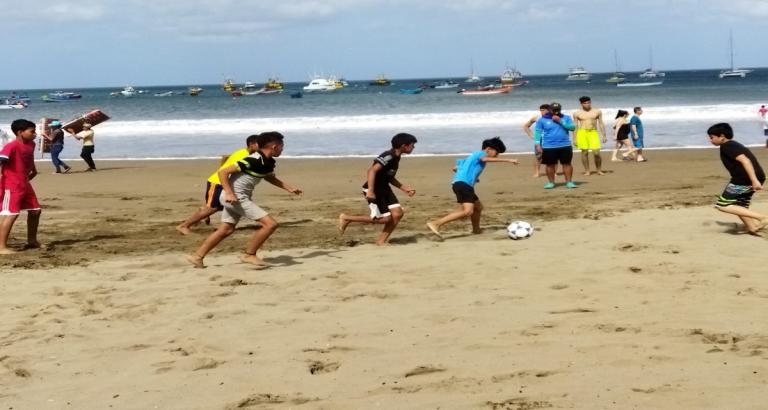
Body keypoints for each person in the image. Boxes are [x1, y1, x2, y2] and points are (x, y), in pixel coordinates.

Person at [187, 132, 302, 268]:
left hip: (237, 198)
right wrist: (230, 194)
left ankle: (197, 257)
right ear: (274, 146)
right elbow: (223, 172)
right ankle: (250, 254)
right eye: (282, 146)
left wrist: (289, 188)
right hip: (235, 198)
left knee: (226, 229)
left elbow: (269, 177)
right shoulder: (252, 160)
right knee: (270, 224)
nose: (283, 149)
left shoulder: (268, 162)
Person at [426, 137, 518, 238]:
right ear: (488, 149)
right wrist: (508, 160)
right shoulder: (481, 154)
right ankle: (436, 223)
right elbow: (484, 159)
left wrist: (472, 177)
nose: (497, 155)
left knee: (478, 207)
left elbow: (455, 168)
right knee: (468, 211)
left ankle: (476, 230)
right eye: (497, 153)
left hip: (461, 184)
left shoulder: (472, 156)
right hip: (463, 185)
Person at [338, 133, 417, 245]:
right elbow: (371, 171)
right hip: (374, 189)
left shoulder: (396, 157)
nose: (414, 147)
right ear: (404, 145)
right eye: (412, 145)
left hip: (385, 188)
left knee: (398, 214)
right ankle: (347, 218)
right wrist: (370, 190)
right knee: (385, 219)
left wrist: (404, 188)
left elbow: (389, 177)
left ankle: (381, 241)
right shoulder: (388, 156)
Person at [176, 136, 258, 235]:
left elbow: (226, 158)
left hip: (224, 182)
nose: (262, 147)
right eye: (260, 144)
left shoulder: (244, 152)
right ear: (251, 144)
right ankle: (183, 226)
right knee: (212, 208)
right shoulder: (244, 155)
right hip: (217, 182)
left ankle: (203, 213)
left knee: (223, 205)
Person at [707, 122, 768, 235]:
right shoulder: (733, 144)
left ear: (722, 136)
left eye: (711, 137)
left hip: (744, 179)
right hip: (752, 177)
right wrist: (755, 179)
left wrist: (754, 180)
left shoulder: (727, 146)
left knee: (722, 205)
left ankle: (762, 218)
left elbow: (746, 161)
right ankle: (752, 227)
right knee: (740, 205)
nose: (710, 140)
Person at [0, 119, 42, 254]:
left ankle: (32, 241)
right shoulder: (10, 146)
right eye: (32, 131)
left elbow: (29, 158)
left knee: (35, 210)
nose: (35, 134)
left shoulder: (32, 144)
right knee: (11, 214)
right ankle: (1, 247)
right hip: (11, 184)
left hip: (25, 182)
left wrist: (34, 170)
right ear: (20, 132)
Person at [535, 102, 577, 189]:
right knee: (550, 165)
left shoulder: (566, 117)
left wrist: (560, 121)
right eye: (554, 110)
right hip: (548, 146)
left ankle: (569, 182)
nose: (556, 112)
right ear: (550, 110)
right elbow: (538, 132)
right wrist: (537, 144)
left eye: (558, 110)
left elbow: (572, 128)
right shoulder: (542, 120)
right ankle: (551, 182)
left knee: (567, 164)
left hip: (565, 145)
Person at [572, 96, 607, 176]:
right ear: (581, 104)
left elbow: (601, 123)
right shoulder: (577, 113)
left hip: (593, 132)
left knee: (596, 153)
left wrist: (604, 135)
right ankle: (587, 171)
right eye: (585, 103)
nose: (587, 104)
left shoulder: (597, 111)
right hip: (582, 133)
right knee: (584, 152)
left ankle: (599, 170)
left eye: (588, 102)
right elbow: (575, 126)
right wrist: (574, 138)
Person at [522, 104, 548, 177]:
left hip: (549, 139)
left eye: (544, 110)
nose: (542, 112)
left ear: (549, 110)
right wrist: (531, 135)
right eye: (541, 110)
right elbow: (526, 126)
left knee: (553, 156)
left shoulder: (552, 117)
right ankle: (537, 172)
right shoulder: (537, 118)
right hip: (539, 139)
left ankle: (553, 172)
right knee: (538, 156)